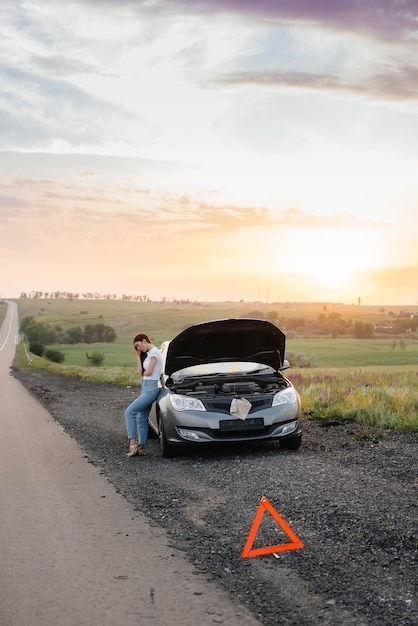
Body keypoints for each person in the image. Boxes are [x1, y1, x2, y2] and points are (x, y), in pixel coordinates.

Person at [124, 333, 163, 457]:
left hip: (151, 388)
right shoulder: (147, 354)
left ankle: (133, 444)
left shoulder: (154, 353)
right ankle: (141, 447)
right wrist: (138, 355)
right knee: (142, 417)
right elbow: (142, 372)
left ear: (144, 340)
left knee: (129, 412)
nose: (139, 348)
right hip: (145, 386)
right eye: (136, 347)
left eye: (138, 345)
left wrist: (145, 373)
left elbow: (149, 372)